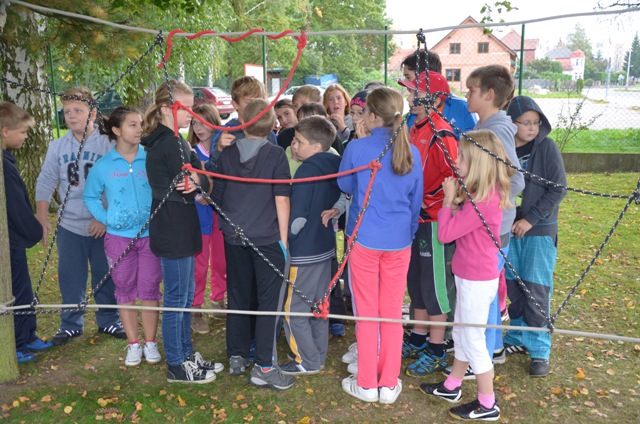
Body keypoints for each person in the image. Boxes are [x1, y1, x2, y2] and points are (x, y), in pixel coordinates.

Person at [420, 129, 514, 422]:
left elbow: (445, 234)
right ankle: (452, 386)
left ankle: (488, 404)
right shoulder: (479, 195)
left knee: (472, 339)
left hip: (476, 279)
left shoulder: (483, 202)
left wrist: (448, 202)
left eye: (461, 156)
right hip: (469, 274)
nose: (456, 160)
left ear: (478, 162)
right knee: (461, 332)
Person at [338, 87, 422, 404]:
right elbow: (415, 201)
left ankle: (366, 383)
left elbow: (345, 184)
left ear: (372, 116)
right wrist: (407, 234)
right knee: (390, 312)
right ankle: (387, 383)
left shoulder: (357, 148)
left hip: (365, 239)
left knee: (367, 312)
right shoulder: (411, 152)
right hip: (398, 241)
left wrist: (359, 144)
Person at [211, 99, 294, 390]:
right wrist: (284, 241)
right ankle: (264, 367)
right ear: (272, 125)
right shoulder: (275, 154)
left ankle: (237, 355)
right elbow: (282, 198)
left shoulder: (228, 153)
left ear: (243, 124)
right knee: (268, 302)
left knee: (239, 295)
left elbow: (218, 196)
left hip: (235, 237)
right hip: (266, 238)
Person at [141, 80, 221, 384]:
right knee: (177, 299)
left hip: (183, 225)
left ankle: (186, 354)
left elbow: (203, 178)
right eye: (185, 108)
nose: (191, 113)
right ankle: (176, 363)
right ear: (166, 109)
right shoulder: (168, 143)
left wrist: (198, 181)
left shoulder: (178, 142)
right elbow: (188, 183)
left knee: (186, 297)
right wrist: (197, 182)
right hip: (172, 227)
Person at [35, 87, 124, 346]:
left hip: (103, 225)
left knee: (105, 274)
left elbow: (119, 183)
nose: (72, 116)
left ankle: (109, 319)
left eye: (78, 110)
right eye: (67, 112)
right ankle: (71, 324)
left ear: (92, 113)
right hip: (70, 225)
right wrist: (42, 217)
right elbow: (45, 181)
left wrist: (104, 217)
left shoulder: (108, 144)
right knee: (70, 276)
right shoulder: (57, 147)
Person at [456, 64, 525, 380]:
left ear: (489, 94)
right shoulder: (487, 125)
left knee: (480, 294)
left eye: (471, 90)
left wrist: (481, 198)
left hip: (492, 229)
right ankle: (492, 348)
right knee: (488, 292)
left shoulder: (495, 131)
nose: (466, 95)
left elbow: (517, 180)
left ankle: (479, 356)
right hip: (488, 226)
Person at [83, 106, 162, 367]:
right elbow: (90, 196)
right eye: (133, 125)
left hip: (150, 236)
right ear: (117, 130)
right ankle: (134, 344)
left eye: (140, 124)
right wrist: (107, 219)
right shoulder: (104, 166)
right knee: (125, 289)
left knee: (150, 289)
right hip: (118, 239)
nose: (140, 129)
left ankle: (150, 342)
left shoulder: (150, 157)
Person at [397, 71, 459, 377]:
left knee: (435, 289)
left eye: (415, 94)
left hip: (433, 221)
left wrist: (426, 201)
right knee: (418, 284)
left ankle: (437, 349)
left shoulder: (441, 133)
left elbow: (454, 178)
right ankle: (418, 338)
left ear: (436, 99)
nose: (410, 98)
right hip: (415, 220)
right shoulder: (415, 127)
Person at [504, 96, 567, 377]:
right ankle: (517, 335)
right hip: (509, 227)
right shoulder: (503, 147)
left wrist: (530, 219)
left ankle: (540, 349)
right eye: (525, 123)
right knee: (514, 285)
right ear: (511, 123)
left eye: (536, 122)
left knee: (536, 288)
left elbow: (558, 188)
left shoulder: (547, 147)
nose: (532, 128)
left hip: (538, 230)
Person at [279, 116, 342, 375]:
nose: (293, 146)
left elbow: (299, 217)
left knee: (293, 309)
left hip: (304, 251)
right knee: (318, 305)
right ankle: (318, 355)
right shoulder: (337, 164)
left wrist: (287, 241)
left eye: (299, 142)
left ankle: (305, 360)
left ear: (316, 146)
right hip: (325, 248)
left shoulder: (306, 170)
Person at [1, 102, 53, 363]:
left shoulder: (6, 158)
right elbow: (15, 206)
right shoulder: (3, 164)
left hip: (12, 240)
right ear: (5, 131)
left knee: (23, 288)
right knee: (13, 291)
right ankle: (17, 342)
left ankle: (27, 335)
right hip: (7, 242)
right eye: (22, 132)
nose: (25, 137)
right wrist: (35, 229)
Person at [187, 103, 227, 334]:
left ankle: (219, 299)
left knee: (222, 260)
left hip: (220, 213)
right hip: (199, 213)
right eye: (194, 123)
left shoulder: (224, 149)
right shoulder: (191, 152)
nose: (199, 128)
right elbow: (186, 179)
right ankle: (195, 308)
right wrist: (198, 194)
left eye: (202, 122)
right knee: (199, 265)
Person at [401, 49, 477, 137]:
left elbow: (473, 140)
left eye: (408, 77)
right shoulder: (414, 113)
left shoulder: (462, 108)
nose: (405, 82)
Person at [221, 76, 277, 147]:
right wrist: (220, 148)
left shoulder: (268, 133)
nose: (255, 107)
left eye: (260, 102)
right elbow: (212, 154)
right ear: (235, 104)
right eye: (250, 102)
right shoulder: (224, 132)